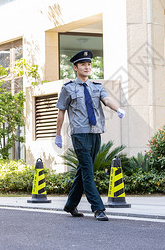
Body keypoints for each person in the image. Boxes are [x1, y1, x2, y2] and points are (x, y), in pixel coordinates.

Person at [55, 50, 125, 221]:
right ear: (75, 67)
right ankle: (98, 208)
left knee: (83, 169)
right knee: (88, 171)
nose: (87, 67)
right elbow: (61, 112)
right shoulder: (68, 88)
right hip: (79, 134)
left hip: (95, 132)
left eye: (89, 64)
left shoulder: (97, 87)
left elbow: (107, 100)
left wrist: (118, 109)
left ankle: (71, 205)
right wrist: (58, 135)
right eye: (83, 64)